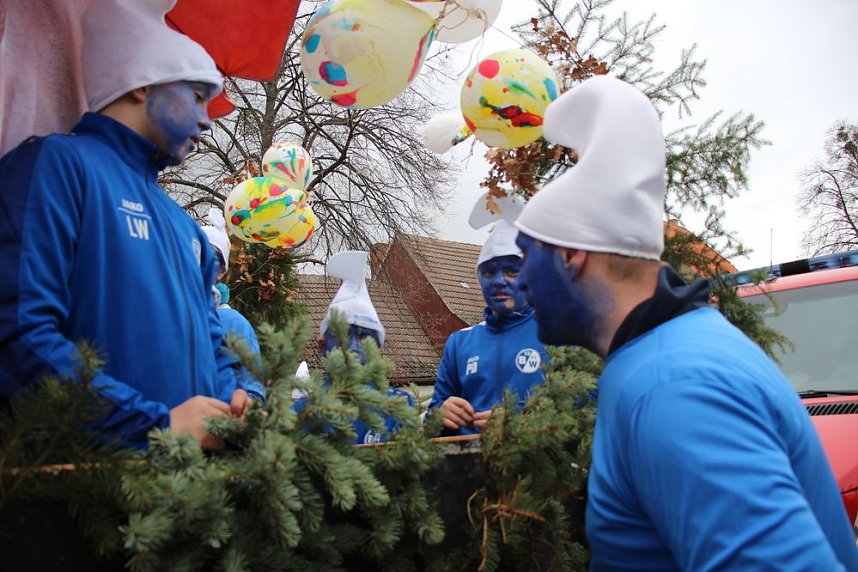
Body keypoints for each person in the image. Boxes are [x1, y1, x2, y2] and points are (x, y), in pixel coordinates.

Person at [513, 75, 858, 570]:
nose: (521, 281)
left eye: (526, 256)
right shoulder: (674, 350)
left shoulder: (672, 384)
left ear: (570, 253)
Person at [0, 0, 262, 450]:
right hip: (80, 501)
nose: (207, 119)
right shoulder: (56, 165)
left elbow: (217, 343)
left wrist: (242, 397)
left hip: (191, 498)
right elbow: (21, 333)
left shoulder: (184, 227)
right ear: (142, 84)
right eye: (197, 95)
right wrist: (154, 425)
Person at [427, 194, 549, 435]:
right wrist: (439, 414)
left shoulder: (559, 334)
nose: (499, 281)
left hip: (537, 467)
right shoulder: (459, 343)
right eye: (489, 273)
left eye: (512, 271)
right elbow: (433, 419)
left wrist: (522, 424)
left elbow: (584, 409)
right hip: (467, 468)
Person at [296, 250, 415, 445]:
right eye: (341, 335)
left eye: (364, 337)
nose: (351, 346)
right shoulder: (304, 411)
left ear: (376, 349)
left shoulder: (397, 407)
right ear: (322, 346)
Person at [200, 207, 261, 355]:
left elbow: (245, 376)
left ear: (221, 271)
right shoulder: (161, 308)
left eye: (208, 255)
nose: (198, 261)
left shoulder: (234, 325)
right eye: (192, 251)